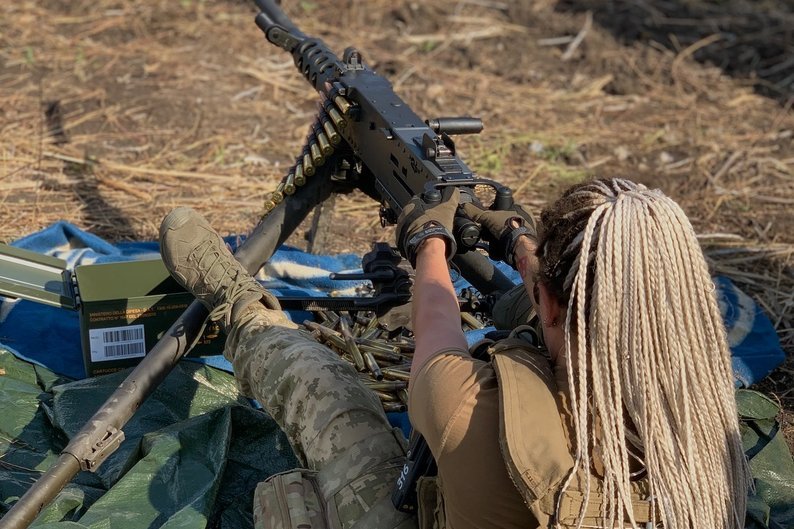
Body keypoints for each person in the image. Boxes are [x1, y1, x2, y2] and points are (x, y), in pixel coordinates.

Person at [159, 177, 750, 529]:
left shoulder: (469, 408)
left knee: (333, 400)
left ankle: (239, 305)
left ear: (548, 303)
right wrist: (520, 244)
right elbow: (585, 322)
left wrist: (429, 242)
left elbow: (437, 324)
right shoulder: (707, 429)